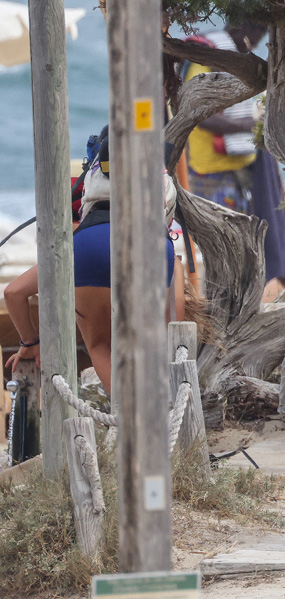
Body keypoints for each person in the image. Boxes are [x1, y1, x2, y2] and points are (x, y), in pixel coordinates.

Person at [5, 128, 178, 393]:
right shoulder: (159, 178)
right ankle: (161, 413)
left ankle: (125, 423)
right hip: (151, 242)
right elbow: (177, 312)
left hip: (90, 247)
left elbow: (14, 292)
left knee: (99, 346)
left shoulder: (74, 238)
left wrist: (30, 342)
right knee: (162, 340)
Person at [183, 23, 268, 214]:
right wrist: (248, 125)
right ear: (238, 26)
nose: (257, 41)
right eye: (258, 29)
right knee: (217, 237)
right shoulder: (206, 60)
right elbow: (201, 116)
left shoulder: (239, 61)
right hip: (210, 173)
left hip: (240, 170)